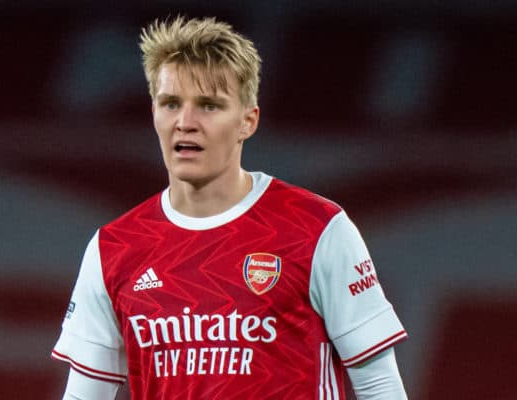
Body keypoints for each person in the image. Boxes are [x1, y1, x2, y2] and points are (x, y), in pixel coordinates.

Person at [51, 16, 408, 400]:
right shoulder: (114, 248)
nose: (185, 123)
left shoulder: (317, 229)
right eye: (171, 103)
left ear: (247, 121)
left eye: (208, 106)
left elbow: (380, 386)